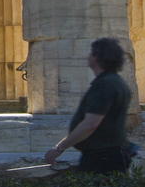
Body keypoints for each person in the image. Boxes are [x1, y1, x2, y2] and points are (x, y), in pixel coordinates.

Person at [42, 37, 136, 174]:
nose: (88, 56)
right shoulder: (117, 82)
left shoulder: (104, 85)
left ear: (97, 57)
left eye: (91, 53)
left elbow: (90, 124)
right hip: (110, 156)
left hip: (101, 159)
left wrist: (59, 148)